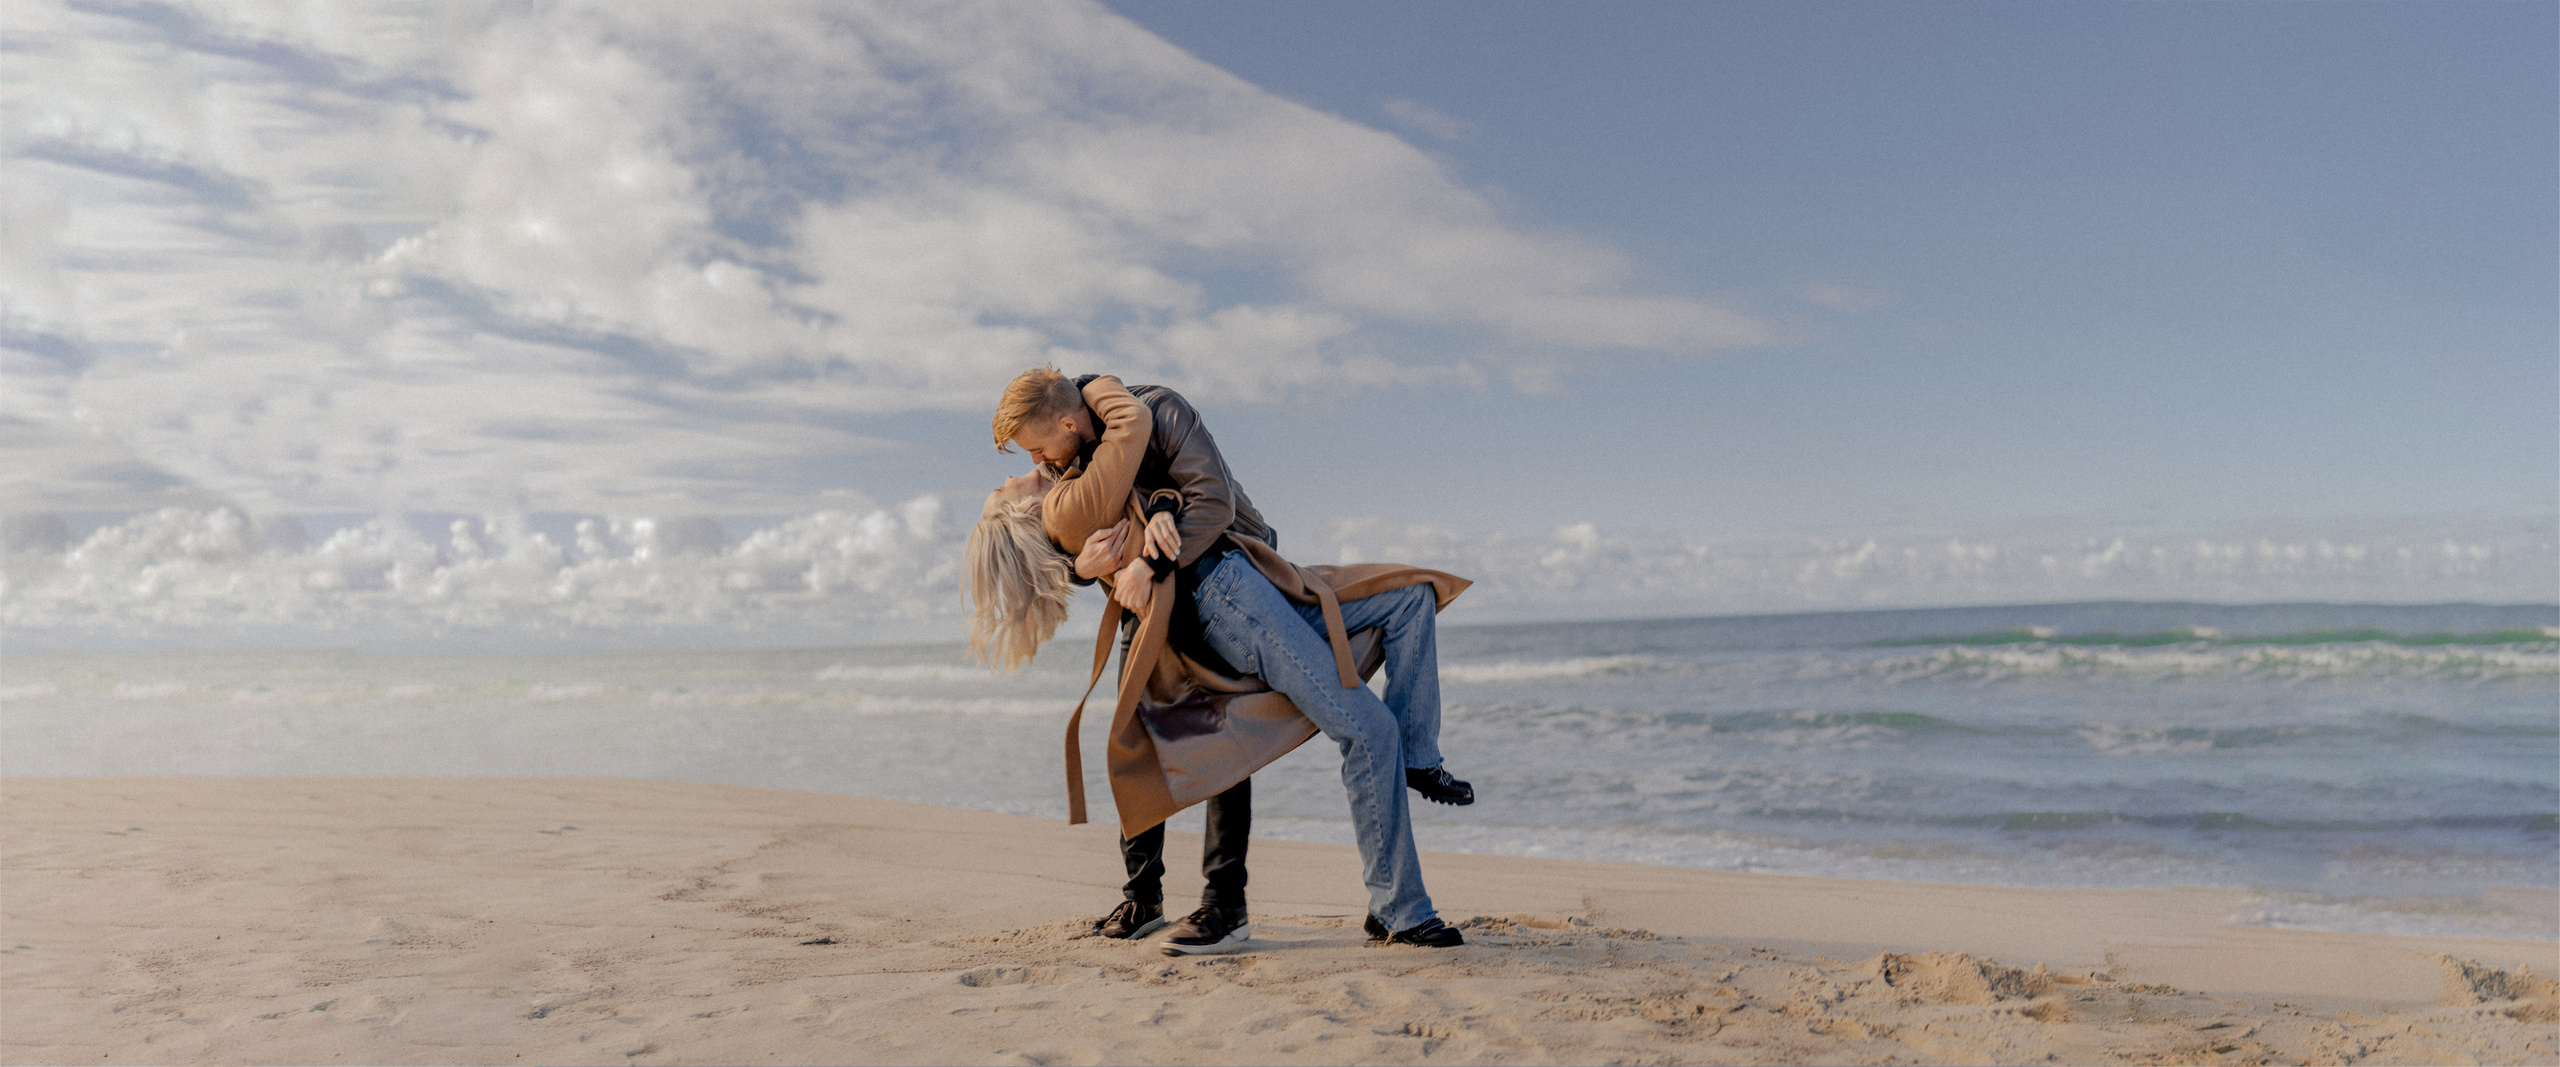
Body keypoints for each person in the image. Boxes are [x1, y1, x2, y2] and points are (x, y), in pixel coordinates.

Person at [967, 368, 1474, 955]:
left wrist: (1154, 520)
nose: (1031, 465)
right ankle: (1393, 911)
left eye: (1034, 449)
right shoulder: (1074, 464)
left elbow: (1203, 498)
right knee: (1346, 730)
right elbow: (1104, 493)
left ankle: (1417, 758)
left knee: (1412, 597)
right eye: (1021, 468)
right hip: (1216, 593)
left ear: (1066, 421)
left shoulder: (1148, 415)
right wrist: (1099, 564)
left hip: (1248, 572)